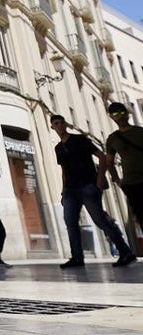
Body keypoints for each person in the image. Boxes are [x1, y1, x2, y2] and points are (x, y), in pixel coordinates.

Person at [51, 114, 137, 268]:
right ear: (52, 127)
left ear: (65, 125)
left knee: (100, 220)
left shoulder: (80, 140)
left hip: (88, 186)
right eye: (56, 123)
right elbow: (64, 170)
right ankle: (77, 258)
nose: (59, 126)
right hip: (71, 190)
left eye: (61, 123)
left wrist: (100, 178)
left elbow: (102, 157)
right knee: (70, 222)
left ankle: (125, 252)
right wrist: (63, 192)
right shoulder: (58, 148)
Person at [106, 101, 143, 240]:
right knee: (140, 214)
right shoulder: (112, 139)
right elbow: (109, 162)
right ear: (111, 117)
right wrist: (117, 180)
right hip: (131, 183)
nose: (119, 117)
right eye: (115, 114)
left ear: (127, 114)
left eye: (121, 113)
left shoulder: (140, 132)